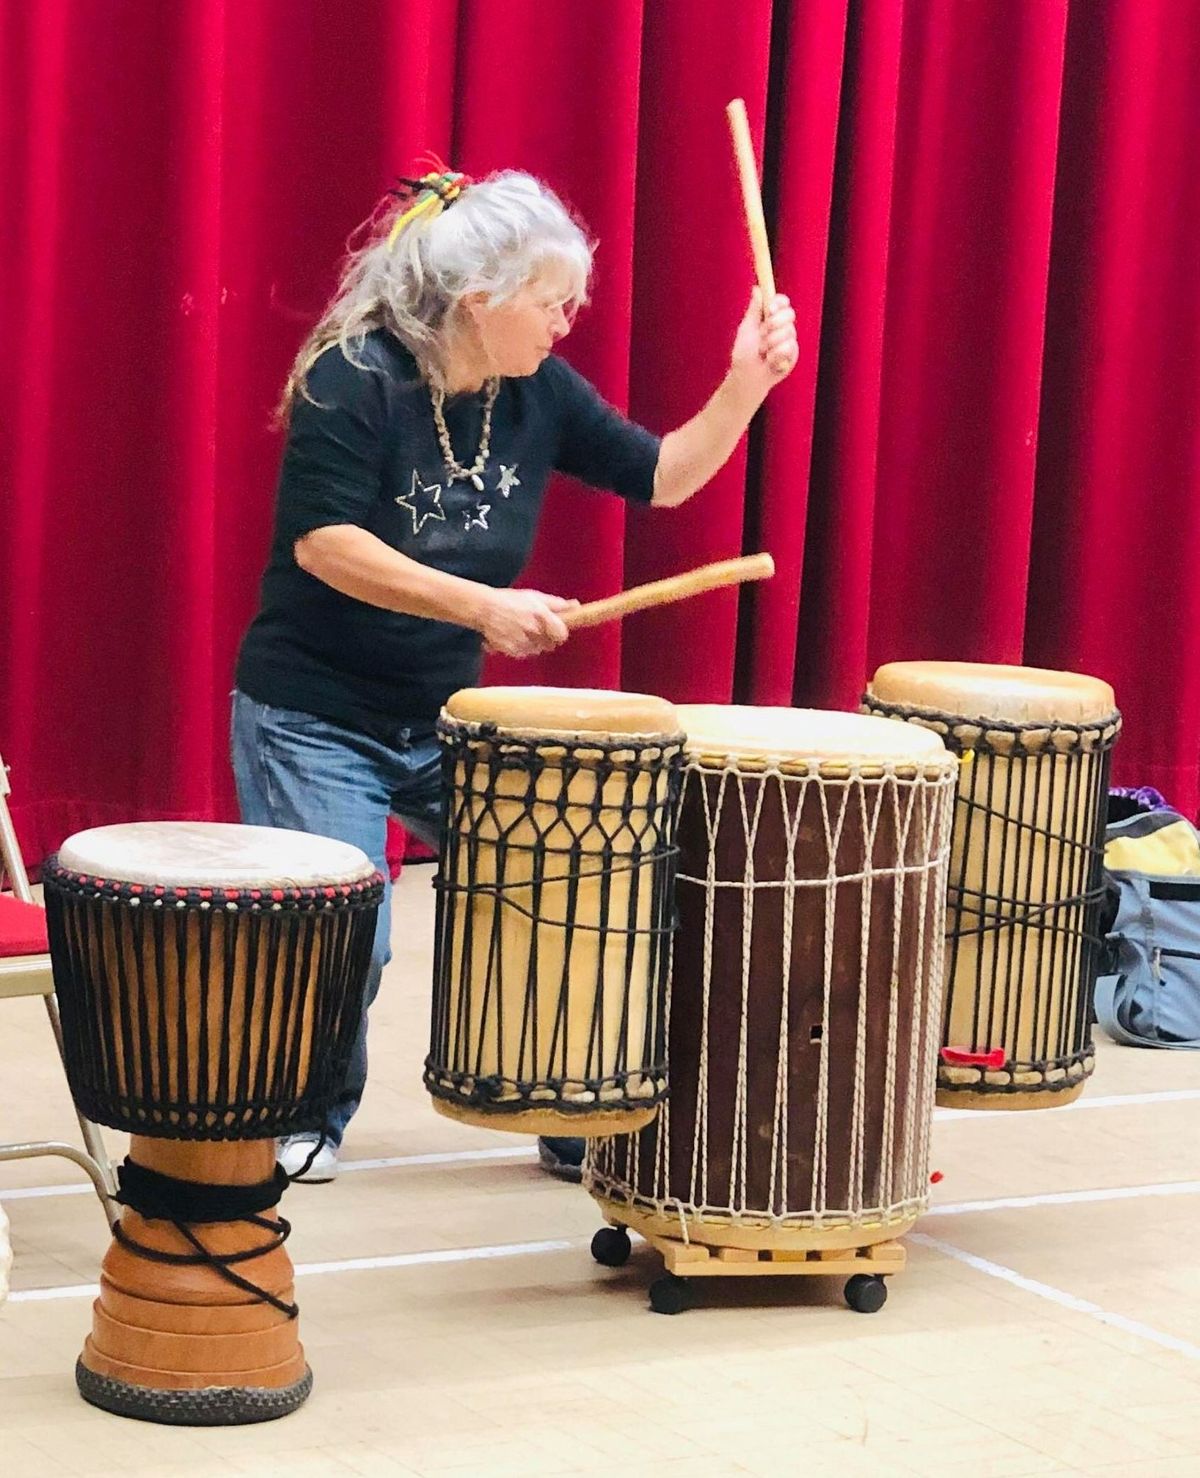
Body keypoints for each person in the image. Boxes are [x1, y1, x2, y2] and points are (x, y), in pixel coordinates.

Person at [231, 164, 797, 1183]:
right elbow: (324, 544)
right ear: (482, 302)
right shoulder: (351, 377)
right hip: (313, 712)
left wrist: (745, 382)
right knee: (344, 926)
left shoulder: (535, 389)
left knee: (575, 880)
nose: (566, 320)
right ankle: (301, 1115)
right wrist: (484, 606)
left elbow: (662, 475)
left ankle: (564, 1095)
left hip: (447, 716)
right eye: (551, 299)